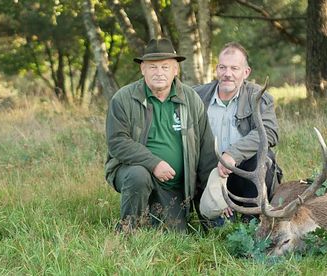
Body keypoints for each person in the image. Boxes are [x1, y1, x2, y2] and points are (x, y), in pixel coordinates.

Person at [104, 38, 217, 232]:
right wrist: (154, 163)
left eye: (165, 67)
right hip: (133, 173)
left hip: (175, 186)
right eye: (152, 67)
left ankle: (150, 215)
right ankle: (127, 230)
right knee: (138, 175)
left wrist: (212, 197)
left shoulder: (191, 99)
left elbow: (205, 151)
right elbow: (118, 142)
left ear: (175, 70)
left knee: (176, 233)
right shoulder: (123, 99)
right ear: (143, 69)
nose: (159, 73)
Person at [194, 42, 282, 224]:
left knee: (260, 158)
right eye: (223, 67)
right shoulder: (198, 96)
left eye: (235, 68)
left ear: (246, 72)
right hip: (209, 175)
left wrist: (232, 154)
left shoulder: (258, 96)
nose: (228, 74)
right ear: (216, 69)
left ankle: (253, 219)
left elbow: (269, 132)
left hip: (245, 174)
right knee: (219, 229)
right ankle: (217, 213)